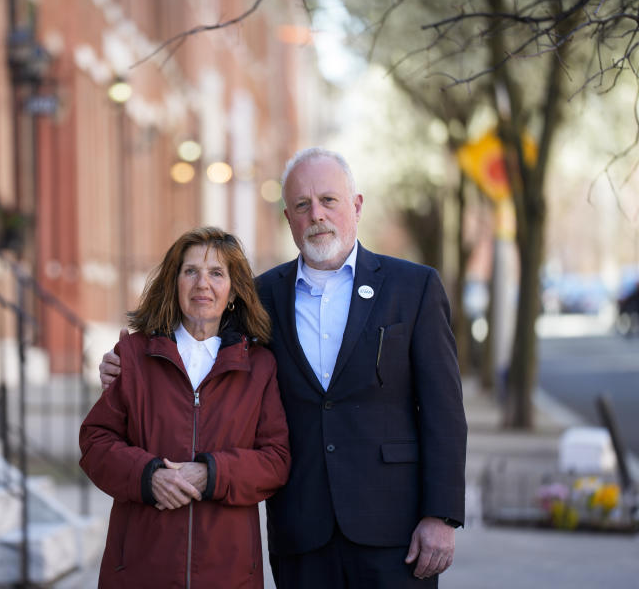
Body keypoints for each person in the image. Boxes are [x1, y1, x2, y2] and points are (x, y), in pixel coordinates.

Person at [99, 148, 467, 588]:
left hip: (394, 529)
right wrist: (124, 363)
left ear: (357, 205)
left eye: (329, 200)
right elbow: (198, 341)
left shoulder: (413, 286)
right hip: (302, 529)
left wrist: (441, 515)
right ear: (289, 217)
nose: (317, 215)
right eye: (302, 205)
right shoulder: (259, 297)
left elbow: (444, 411)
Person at [80, 226, 291, 589]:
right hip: (142, 569)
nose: (202, 284)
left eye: (216, 273)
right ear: (173, 282)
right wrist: (149, 477)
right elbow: (96, 442)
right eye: (190, 271)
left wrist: (212, 474)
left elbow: (275, 460)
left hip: (229, 571)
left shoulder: (259, 366)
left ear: (235, 289)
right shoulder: (133, 355)